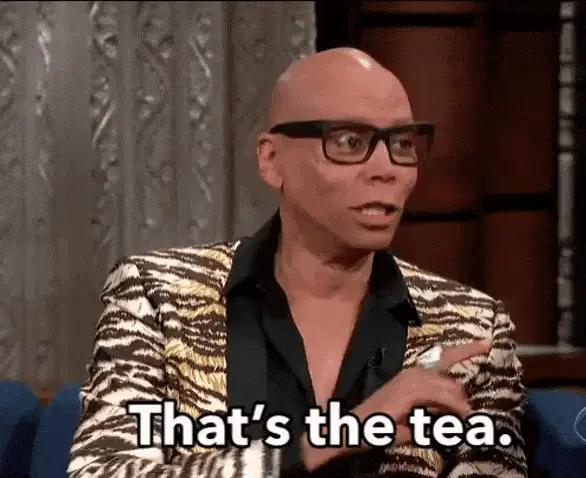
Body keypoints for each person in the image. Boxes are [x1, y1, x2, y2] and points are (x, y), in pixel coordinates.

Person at [67, 47, 527, 477]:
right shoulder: (160, 296)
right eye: (350, 141)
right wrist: (328, 441)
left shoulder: (471, 328)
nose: (386, 168)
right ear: (271, 159)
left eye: (403, 144)